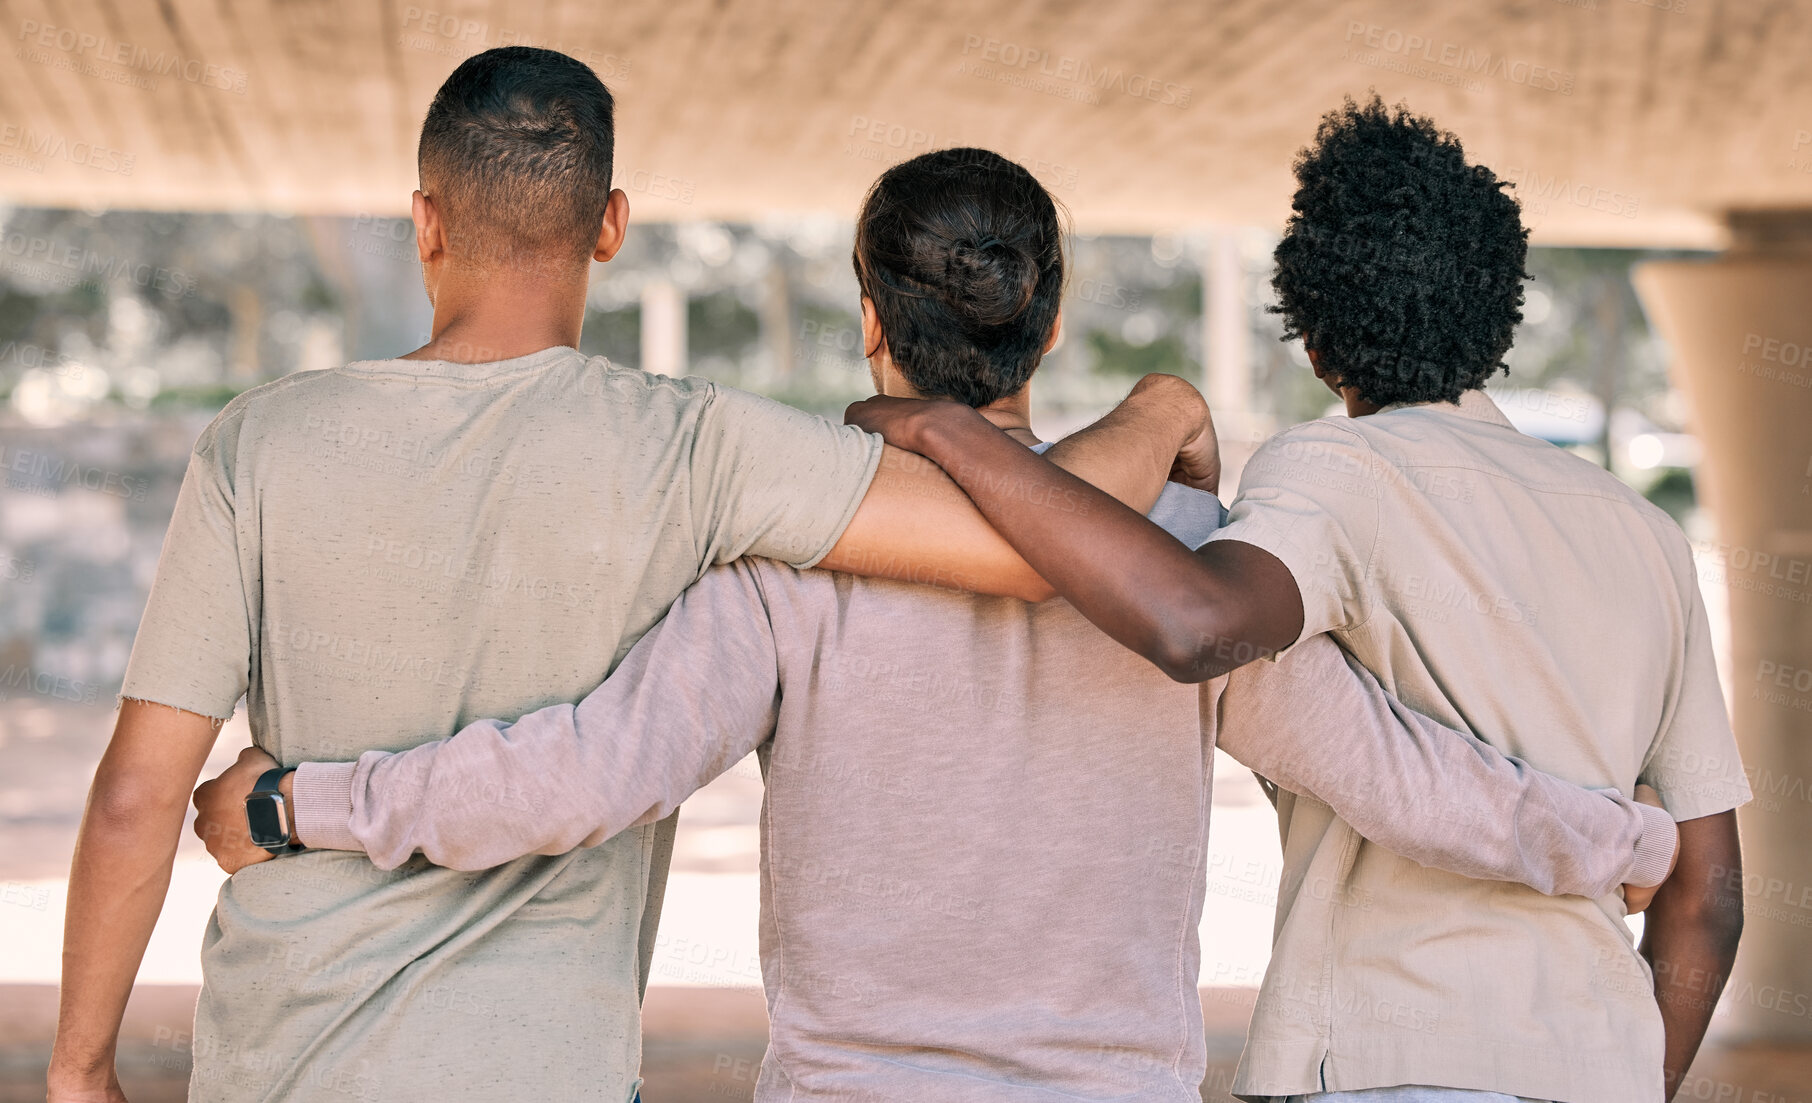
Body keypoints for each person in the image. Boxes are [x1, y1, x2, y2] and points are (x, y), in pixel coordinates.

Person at [194, 148, 1677, 1102]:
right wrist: (1627, 843)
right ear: (1050, 320)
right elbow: (1408, 777)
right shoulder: (1182, 558)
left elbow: (583, 773)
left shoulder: (795, 569)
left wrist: (300, 798)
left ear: (869, 317)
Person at [46, 52, 1216, 1103]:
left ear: (422, 221)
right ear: (610, 227)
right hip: (546, 1064)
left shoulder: (259, 442)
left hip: (281, 1053)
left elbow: (137, 794)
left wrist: (84, 1062)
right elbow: (1031, 549)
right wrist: (1164, 412)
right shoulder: (698, 449)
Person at [846, 99, 1750, 1103]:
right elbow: (1709, 897)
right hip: (1601, 1067)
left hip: (1384, 1060)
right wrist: (1633, 1075)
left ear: (1314, 344)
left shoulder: (1334, 470)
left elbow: (1195, 623)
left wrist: (956, 435)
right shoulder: (1648, 537)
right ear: (1499, 316)